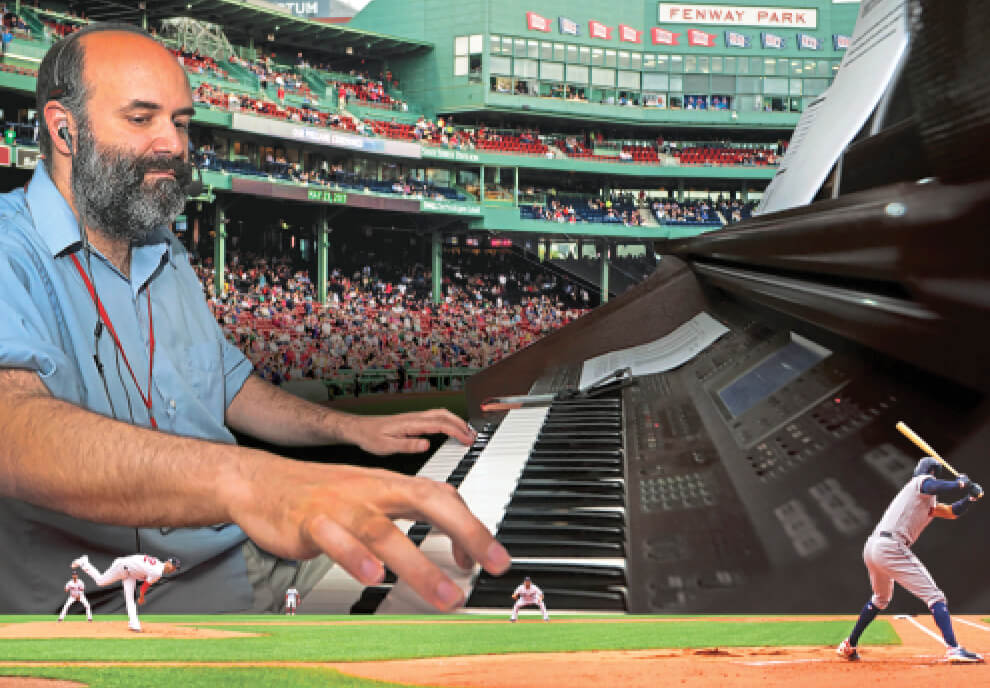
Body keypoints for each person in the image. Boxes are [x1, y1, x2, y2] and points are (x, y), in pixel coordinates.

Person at [0, 22, 509, 616]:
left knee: (472, 591)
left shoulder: (164, 247)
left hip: (240, 560)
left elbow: (230, 387)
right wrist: (253, 481)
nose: (172, 144)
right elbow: (16, 432)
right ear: (65, 129)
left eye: (182, 122)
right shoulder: (11, 249)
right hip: (117, 609)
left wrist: (349, 429)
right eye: (141, 119)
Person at [836, 457, 984, 663]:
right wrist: (958, 484)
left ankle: (849, 645)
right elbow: (930, 484)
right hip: (890, 546)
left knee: (880, 599)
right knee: (936, 597)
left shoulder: (926, 501)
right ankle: (954, 649)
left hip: (873, 547)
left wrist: (970, 497)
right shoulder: (919, 485)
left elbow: (951, 512)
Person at [72, 554, 178, 632]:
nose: (174, 569)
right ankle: (84, 563)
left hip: (130, 573)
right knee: (100, 581)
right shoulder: (157, 572)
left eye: (175, 568)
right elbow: (144, 586)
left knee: (130, 599)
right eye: (174, 567)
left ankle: (134, 624)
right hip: (123, 567)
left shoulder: (158, 562)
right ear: (168, 563)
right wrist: (141, 597)